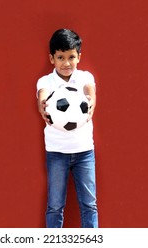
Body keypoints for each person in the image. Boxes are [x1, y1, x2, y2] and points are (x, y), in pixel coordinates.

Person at [36, 28, 98, 228]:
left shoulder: (85, 77)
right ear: (52, 58)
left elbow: (90, 91)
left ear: (79, 57)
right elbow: (42, 96)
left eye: (71, 57)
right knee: (55, 205)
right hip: (56, 152)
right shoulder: (45, 81)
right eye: (60, 57)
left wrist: (91, 100)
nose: (66, 63)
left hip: (84, 152)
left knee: (89, 204)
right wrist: (43, 103)